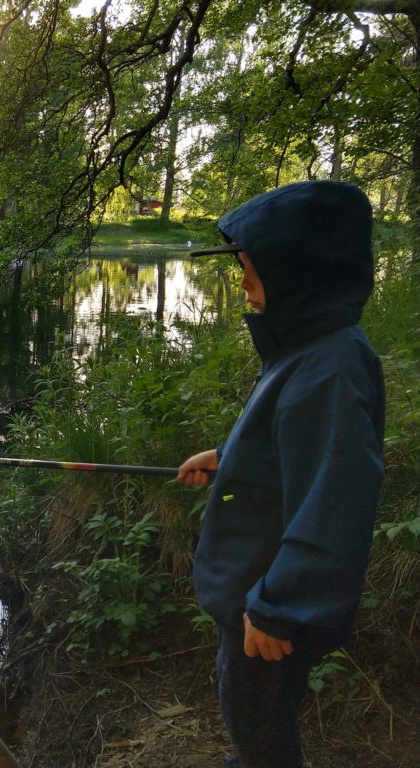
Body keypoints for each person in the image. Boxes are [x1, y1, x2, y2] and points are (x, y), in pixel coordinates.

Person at [176, 180, 385, 768]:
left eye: (250, 269)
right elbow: (291, 445)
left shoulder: (329, 369)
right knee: (248, 713)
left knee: (260, 720)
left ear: (299, 273)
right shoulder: (305, 349)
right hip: (255, 589)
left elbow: (335, 497)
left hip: (269, 602)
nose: (242, 283)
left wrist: (281, 606)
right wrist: (227, 457)